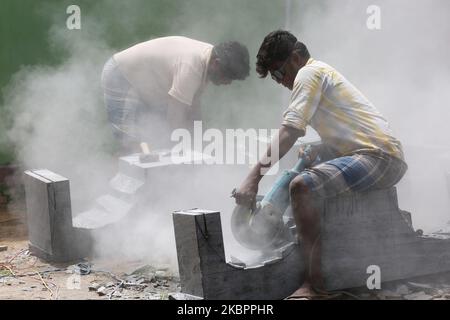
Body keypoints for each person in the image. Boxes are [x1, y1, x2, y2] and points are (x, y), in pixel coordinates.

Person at [233, 30, 408, 300]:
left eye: (279, 73)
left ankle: (314, 285)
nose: (280, 82)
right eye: (275, 78)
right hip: (372, 153)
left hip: (380, 157)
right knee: (305, 163)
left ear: (295, 57)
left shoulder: (308, 73)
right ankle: (290, 243)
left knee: (302, 186)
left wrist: (253, 177)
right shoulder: (318, 73)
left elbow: (290, 131)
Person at [101, 36, 250, 154]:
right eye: (228, 77)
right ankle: (123, 186)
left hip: (145, 85)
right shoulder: (191, 67)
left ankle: (149, 184)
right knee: (130, 143)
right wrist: (187, 153)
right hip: (121, 76)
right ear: (216, 64)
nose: (228, 83)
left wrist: (203, 143)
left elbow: (193, 111)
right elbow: (175, 118)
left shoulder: (207, 60)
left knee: (152, 139)